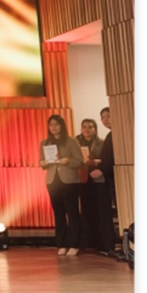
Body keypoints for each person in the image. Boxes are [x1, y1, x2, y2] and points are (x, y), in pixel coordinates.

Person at [40, 114, 84, 256]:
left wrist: (68, 161)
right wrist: (43, 163)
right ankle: (62, 243)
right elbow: (42, 162)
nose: (53, 127)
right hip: (52, 181)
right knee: (58, 213)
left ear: (62, 126)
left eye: (56, 124)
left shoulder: (71, 141)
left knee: (72, 212)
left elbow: (80, 161)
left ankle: (75, 244)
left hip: (69, 181)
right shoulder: (45, 143)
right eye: (51, 125)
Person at [90, 106, 118, 253]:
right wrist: (100, 162)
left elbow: (116, 158)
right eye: (103, 117)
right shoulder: (110, 135)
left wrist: (101, 169)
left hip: (118, 179)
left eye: (108, 116)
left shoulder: (118, 134)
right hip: (112, 178)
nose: (105, 120)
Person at [76, 117, 105, 254]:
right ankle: (87, 242)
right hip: (81, 179)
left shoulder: (102, 142)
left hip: (97, 178)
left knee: (98, 211)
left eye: (90, 127)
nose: (87, 129)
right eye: (84, 127)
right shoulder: (75, 142)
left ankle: (100, 242)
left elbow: (107, 158)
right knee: (85, 211)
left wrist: (98, 161)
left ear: (95, 129)